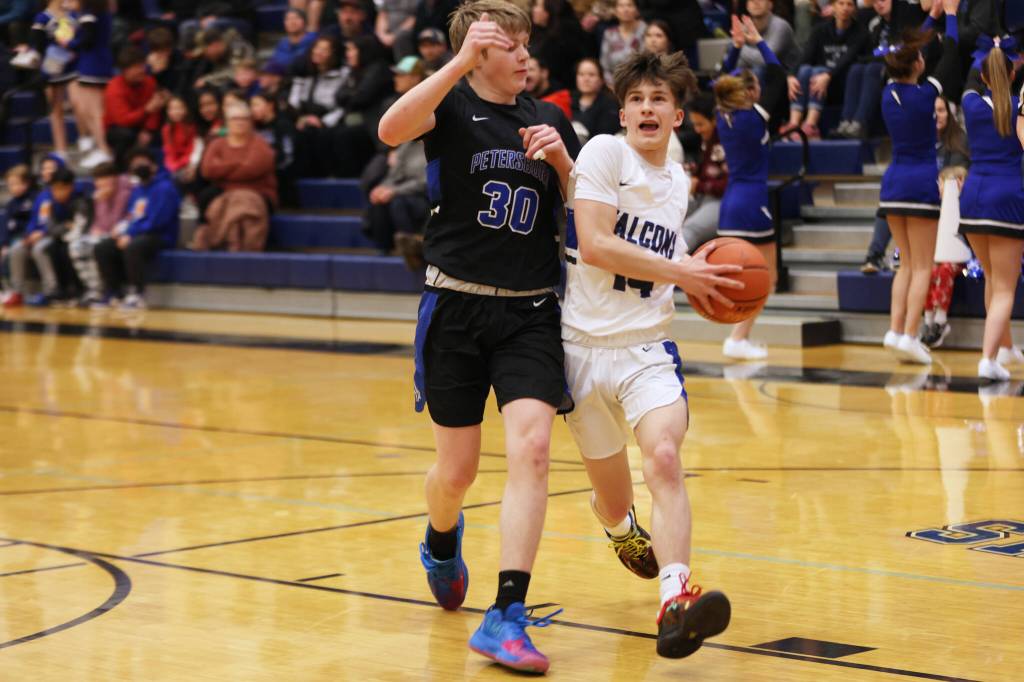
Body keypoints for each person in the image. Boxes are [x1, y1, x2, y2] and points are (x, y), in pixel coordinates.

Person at [377, 0, 580, 673]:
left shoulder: (549, 118)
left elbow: (587, 216)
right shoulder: (451, 105)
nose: (526, 57)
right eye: (511, 46)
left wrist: (566, 167)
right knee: (456, 473)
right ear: (481, 52)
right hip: (456, 308)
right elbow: (388, 129)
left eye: (529, 45)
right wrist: (457, 60)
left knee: (534, 449)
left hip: (529, 313)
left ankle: (507, 614)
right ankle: (440, 536)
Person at [564, 49, 737, 660]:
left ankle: (675, 598)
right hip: (581, 347)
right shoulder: (604, 153)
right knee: (616, 501)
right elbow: (595, 246)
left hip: (645, 345)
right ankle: (617, 526)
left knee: (663, 458)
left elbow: (668, 265)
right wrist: (681, 270)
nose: (646, 108)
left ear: (677, 116)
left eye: (658, 99)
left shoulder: (679, 179)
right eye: (636, 99)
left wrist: (700, 280)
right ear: (622, 112)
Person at [878, 1, 961, 365]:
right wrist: (953, 16)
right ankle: (911, 335)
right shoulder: (927, 94)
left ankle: (895, 331)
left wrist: (933, 16)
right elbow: (954, 52)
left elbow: (912, 53)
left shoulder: (886, 93)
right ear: (917, 65)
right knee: (923, 266)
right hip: (920, 182)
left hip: (893, 183)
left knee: (906, 265)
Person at [958, 33, 1024, 381]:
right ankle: (987, 360)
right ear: (1013, 74)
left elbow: (968, 71)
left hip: (973, 198)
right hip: (1007, 197)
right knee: (1005, 287)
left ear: (982, 76)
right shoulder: (1018, 107)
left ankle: (1004, 348)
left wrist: (992, 49)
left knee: (993, 279)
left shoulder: (970, 103)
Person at [715, 40, 781, 360]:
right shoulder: (755, 117)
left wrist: (734, 47)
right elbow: (779, 75)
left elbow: (721, 79)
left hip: (729, 203)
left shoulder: (721, 115)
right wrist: (758, 43)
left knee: (745, 276)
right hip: (753, 202)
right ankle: (739, 338)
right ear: (751, 93)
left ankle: (738, 336)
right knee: (768, 275)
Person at [93, 148, 180, 309]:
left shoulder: (164, 188)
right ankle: (113, 292)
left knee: (134, 246)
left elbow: (157, 221)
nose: (138, 167)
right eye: (134, 165)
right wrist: (122, 232)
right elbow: (132, 216)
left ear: (153, 166)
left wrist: (130, 234)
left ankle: (137, 294)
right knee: (103, 247)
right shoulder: (138, 189)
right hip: (139, 233)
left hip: (161, 236)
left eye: (142, 163)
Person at [193, 103, 278, 252]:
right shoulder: (216, 144)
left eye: (244, 119)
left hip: (257, 192)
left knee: (240, 203)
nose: (239, 122)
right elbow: (207, 170)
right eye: (235, 119)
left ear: (250, 122)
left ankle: (241, 246)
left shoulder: (260, 144)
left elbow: (252, 170)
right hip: (224, 192)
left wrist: (223, 168)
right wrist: (238, 163)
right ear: (227, 122)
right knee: (211, 198)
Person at [921, 94, 970, 348]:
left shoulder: (959, 140)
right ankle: (927, 320)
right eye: (933, 111)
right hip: (931, 223)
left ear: (949, 113)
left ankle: (939, 321)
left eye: (940, 110)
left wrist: (946, 181)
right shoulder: (923, 142)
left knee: (944, 267)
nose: (936, 115)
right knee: (925, 267)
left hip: (955, 227)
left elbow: (956, 177)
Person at [784, 0, 868, 139]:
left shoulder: (861, 32)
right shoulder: (820, 30)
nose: (845, 8)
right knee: (804, 70)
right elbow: (806, 56)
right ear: (833, 6)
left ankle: (811, 125)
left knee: (818, 71)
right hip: (818, 83)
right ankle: (794, 123)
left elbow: (847, 59)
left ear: (854, 8)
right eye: (841, 3)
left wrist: (828, 75)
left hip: (842, 83)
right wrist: (791, 76)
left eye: (849, 4)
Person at [7, 167, 83, 307]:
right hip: (36, 235)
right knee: (16, 248)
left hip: (50, 235)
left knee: (40, 248)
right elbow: (33, 219)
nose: (56, 191)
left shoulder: (73, 197)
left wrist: (42, 233)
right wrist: (29, 235)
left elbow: (58, 223)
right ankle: (17, 292)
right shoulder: (43, 195)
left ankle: (51, 290)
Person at [67, 161, 130, 306]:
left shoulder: (124, 192)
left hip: (119, 233)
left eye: (104, 178)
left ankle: (108, 289)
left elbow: (117, 220)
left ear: (114, 177)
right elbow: (98, 222)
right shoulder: (98, 196)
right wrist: (95, 229)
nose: (101, 182)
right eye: (98, 179)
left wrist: (106, 199)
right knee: (76, 246)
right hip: (104, 233)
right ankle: (93, 289)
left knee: (99, 247)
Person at [66, 0, 114, 169]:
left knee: (95, 111)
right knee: (88, 110)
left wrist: (70, 42)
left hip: (93, 63)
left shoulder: (89, 12)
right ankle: (101, 147)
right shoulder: (99, 9)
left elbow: (88, 39)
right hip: (96, 62)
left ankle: (105, 150)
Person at [104, 46, 166, 169]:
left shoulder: (149, 82)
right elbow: (122, 120)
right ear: (124, 71)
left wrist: (148, 130)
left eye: (141, 65)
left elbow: (156, 109)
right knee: (125, 135)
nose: (140, 70)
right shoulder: (114, 88)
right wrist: (147, 110)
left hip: (144, 124)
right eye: (135, 67)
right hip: (119, 128)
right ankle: (120, 170)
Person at [31, 0, 78, 159]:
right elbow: (38, 45)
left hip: (73, 65)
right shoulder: (42, 17)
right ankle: (61, 150)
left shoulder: (72, 14)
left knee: (78, 104)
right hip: (52, 66)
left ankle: (86, 141)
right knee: (56, 110)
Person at [683, 92, 728, 252]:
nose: (697, 130)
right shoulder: (707, 140)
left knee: (689, 228)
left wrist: (700, 185)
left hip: (724, 202)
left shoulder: (726, 141)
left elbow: (728, 184)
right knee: (668, 213)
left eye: (700, 124)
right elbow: (706, 172)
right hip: (704, 198)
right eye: (694, 124)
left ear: (714, 120)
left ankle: (662, 269)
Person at [1, 165, 37, 308]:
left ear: (26, 183)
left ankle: (17, 291)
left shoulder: (33, 199)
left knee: (15, 249)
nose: (13, 187)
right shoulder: (10, 204)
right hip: (12, 239)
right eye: (11, 185)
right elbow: (4, 227)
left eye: (17, 184)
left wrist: (26, 236)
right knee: (5, 251)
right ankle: (5, 288)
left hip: (25, 238)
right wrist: (3, 244)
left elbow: (34, 222)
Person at [571, 57, 621, 143]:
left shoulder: (610, 105)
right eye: (581, 74)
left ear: (601, 80)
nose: (586, 79)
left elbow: (605, 137)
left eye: (591, 75)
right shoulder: (568, 99)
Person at [162, 95, 203, 189]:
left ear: (186, 109)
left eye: (179, 108)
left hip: (187, 163)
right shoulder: (166, 129)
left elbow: (191, 150)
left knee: (182, 177)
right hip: (173, 165)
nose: (176, 112)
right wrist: (172, 165)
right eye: (172, 109)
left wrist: (180, 164)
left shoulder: (191, 127)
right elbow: (169, 150)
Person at [600, 0, 646, 84]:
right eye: (621, 6)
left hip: (643, 82)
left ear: (636, 10)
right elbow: (605, 65)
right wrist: (612, 85)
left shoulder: (646, 30)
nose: (626, 9)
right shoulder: (609, 34)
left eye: (629, 5)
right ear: (615, 11)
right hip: (616, 85)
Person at [526, 54, 571, 119]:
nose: (527, 75)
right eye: (524, 70)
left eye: (531, 70)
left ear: (544, 73)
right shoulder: (520, 99)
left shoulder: (562, 97)